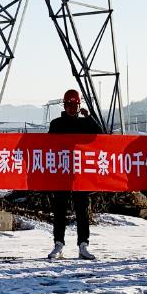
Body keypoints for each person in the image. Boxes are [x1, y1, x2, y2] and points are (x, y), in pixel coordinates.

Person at [47, 88, 102, 260]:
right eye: (69, 105)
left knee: (82, 210)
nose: (72, 108)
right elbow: (46, 146)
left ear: (79, 105)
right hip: (61, 173)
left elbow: (100, 137)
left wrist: (90, 118)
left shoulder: (85, 124)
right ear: (64, 105)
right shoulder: (56, 125)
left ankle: (83, 245)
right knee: (59, 210)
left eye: (75, 105)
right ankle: (58, 244)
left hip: (80, 174)